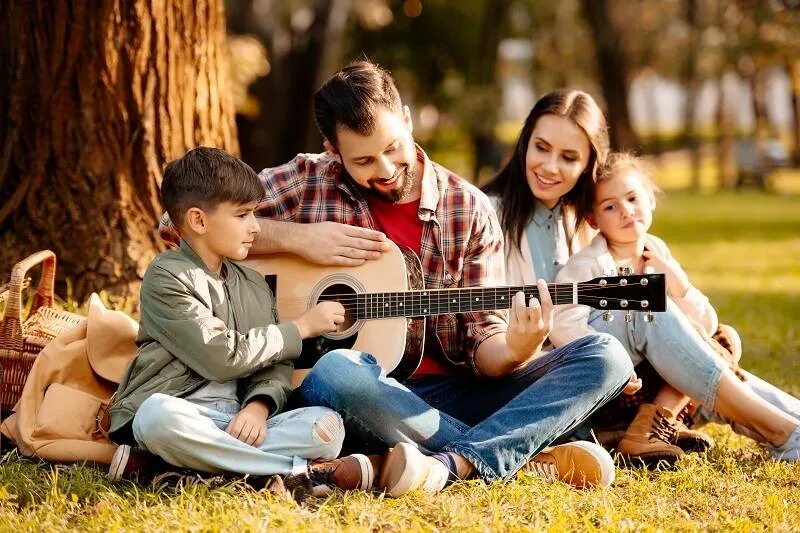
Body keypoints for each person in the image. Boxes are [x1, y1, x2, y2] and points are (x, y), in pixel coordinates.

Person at [243, 60, 635, 496]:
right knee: (340, 369)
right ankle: (521, 459)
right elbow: (179, 223)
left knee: (607, 356)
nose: (387, 168)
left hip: (450, 395)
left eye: (393, 147)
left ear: (408, 120)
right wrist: (299, 239)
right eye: (364, 160)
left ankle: (446, 464)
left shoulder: (466, 209)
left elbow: (484, 349)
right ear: (333, 151)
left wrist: (518, 349)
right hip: (356, 394)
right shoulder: (307, 181)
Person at [107, 147, 381, 492]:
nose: (255, 227)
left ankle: (174, 467)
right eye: (242, 215)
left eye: (254, 214)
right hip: (184, 412)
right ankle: (300, 474)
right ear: (198, 221)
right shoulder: (166, 276)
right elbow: (221, 356)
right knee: (155, 417)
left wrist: (258, 406)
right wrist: (301, 327)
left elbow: (276, 363)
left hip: (235, 422)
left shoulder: (252, 282)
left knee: (327, 427)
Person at [481, 89, 716, 464]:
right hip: (537, 373)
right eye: (541, 148)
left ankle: (649, 423)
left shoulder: (585, 221)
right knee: (653, 323)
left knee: (720, 337)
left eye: (569, 157)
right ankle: (776, 427)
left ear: (588, 164)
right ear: (525, 143)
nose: (550, 167)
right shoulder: (489, 214)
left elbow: (612, 312)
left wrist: (675, 286)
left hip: (607, 364)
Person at [549, 152, 800, 464]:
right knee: (699, 341)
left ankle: (791, 427)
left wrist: (679, 284)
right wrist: (611, 362)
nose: (626, 211)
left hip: (662, 387)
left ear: (651, 200)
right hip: (620, 389)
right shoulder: (587, 265)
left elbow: (704, 326)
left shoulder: (657, 252)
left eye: (632, 198)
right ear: (593, 219)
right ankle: (783, 433)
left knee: (722, 343)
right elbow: (563, 324)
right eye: (610, 206)